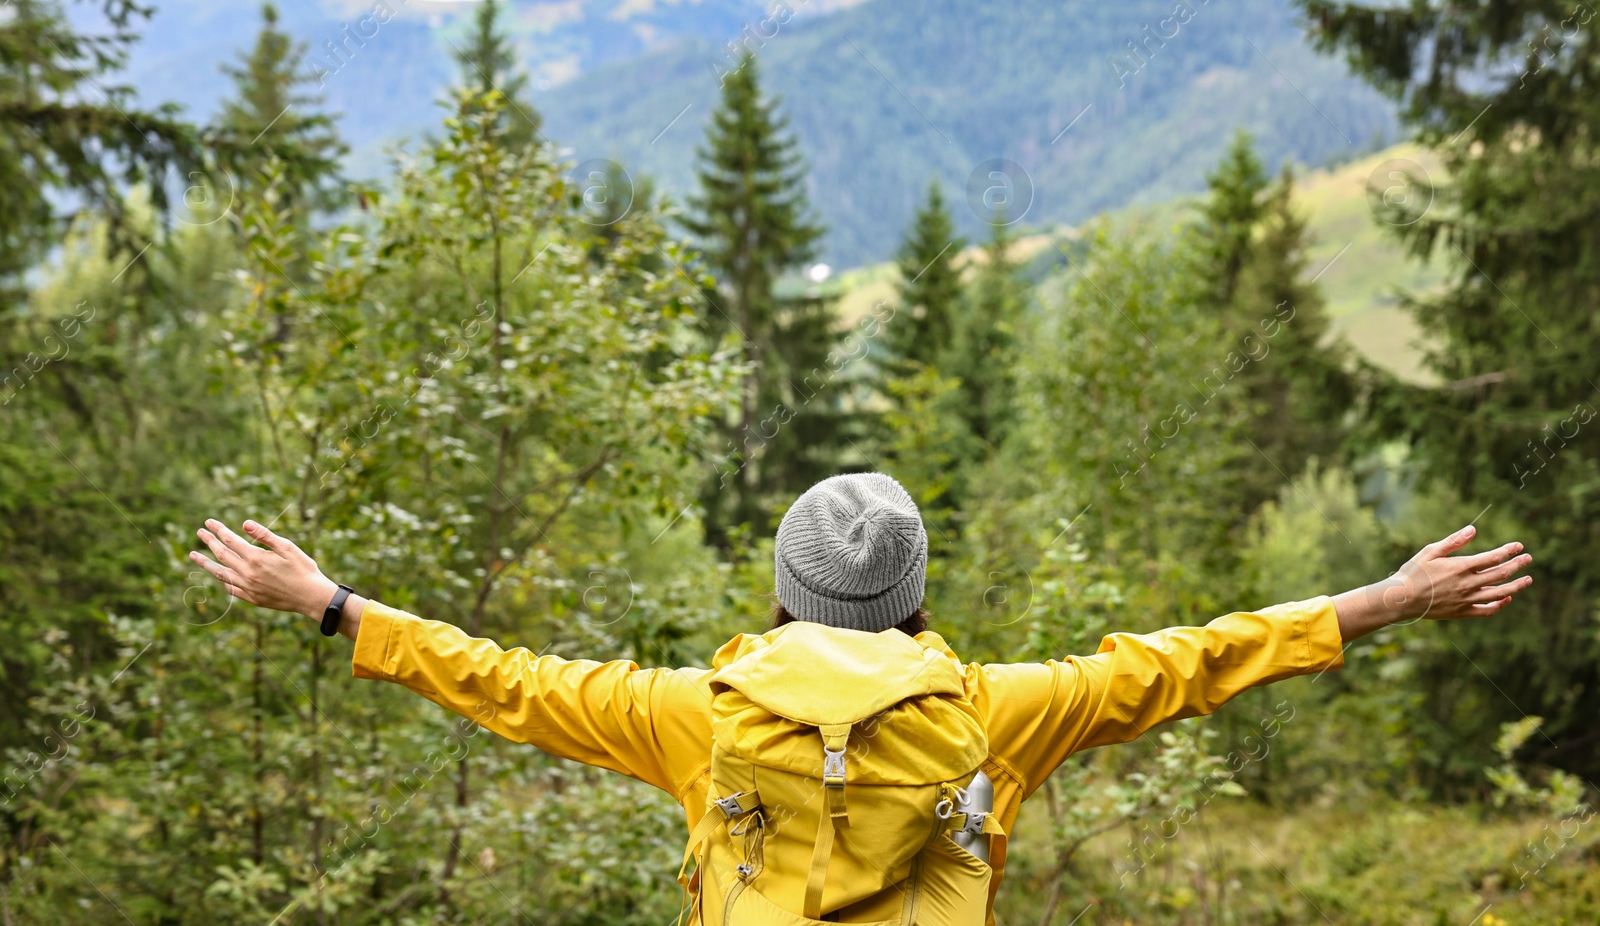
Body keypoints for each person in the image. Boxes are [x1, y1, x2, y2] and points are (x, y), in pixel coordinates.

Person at [189, 472, 1532, 923]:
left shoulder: (694, 711)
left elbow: (503, 683)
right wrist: (1388, 598)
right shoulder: (1004, 711)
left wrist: (332, 605)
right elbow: (1190, 659)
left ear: (786, 591)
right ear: (912, 597)